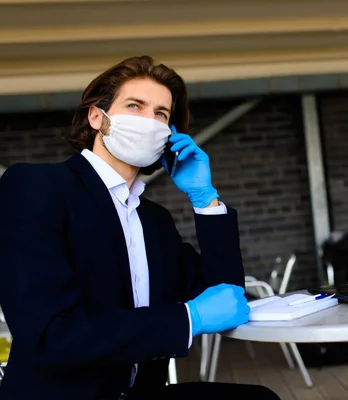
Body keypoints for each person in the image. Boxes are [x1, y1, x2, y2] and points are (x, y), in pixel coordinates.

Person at [0, 56, 279, 399]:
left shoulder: (154, 219)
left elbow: (225, 295)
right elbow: (51, 335)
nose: (149, 121)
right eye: (135, 106)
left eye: (161, 114)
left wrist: (205, 199)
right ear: (96, 117)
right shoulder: (37, 187)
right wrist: (187, 318)